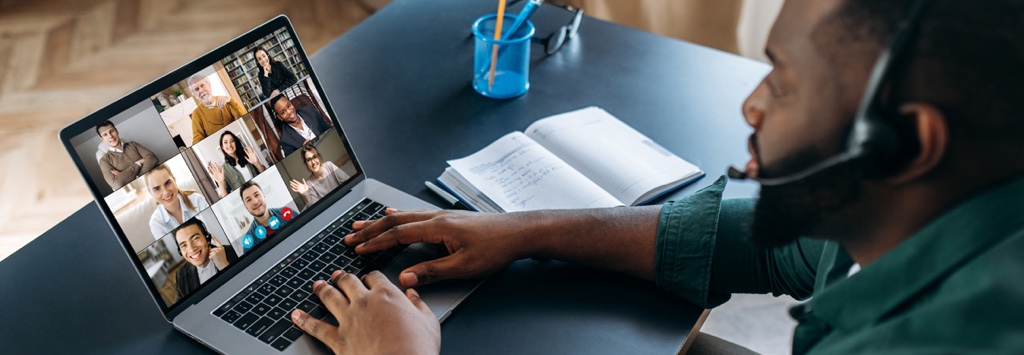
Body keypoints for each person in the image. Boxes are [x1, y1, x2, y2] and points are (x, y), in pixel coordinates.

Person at [287, 0, 1024, 354]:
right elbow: (769, 242)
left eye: (788, 84)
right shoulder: (917, 205)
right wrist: (525, 229)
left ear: (908, 140)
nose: (751, 103)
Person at [172, 218, 237, 300]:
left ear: (207, 238)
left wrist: (224, 265)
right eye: (184, 245)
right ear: (180, 251)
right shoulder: (181, 275)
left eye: (195, 238)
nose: (191, 249)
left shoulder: (233, 251)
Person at [145, 164, 210, 239]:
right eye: (157, 189)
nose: (165, 192)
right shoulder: (156, 223)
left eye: (168, 183)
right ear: (151, 193)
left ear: (174, 181)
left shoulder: (197, 199)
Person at [96, 120, 158, 190]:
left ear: (117, 131)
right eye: (105, 134)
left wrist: (126, 175)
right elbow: (117, 184)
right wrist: (139, 163)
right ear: (102, 139)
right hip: (139, 189)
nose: (110, 136)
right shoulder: (104, 160)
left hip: (156, 178)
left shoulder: (133, 144)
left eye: (112, 131)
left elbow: (153, 158)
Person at [188, 74, 246, 144]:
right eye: (197, 89)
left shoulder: (227, 101)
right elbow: (197, 141)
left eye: (202, 85)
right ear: (195, 95)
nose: (201, 90)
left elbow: (244, 119)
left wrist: (231, 101)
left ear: (209, 85)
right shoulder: (196, 114)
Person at [239, 180, 296, 253]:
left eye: (256, 195)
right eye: (249, 200)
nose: (255, 202)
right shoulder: (249, 241)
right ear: (246, 207)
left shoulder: (287, 213)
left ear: (264, 196)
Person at [207, 131, 266, 197]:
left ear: (236, 143)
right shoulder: (223, 170)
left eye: (232, 141)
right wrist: (221, 183)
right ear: (222, 147)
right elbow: (227, 198)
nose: (229, 145)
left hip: (262, 191)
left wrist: (257, 163)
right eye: (225, 142)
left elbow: (264, 174)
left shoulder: (248, 156)